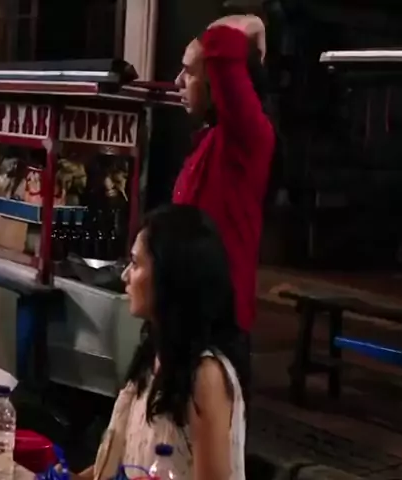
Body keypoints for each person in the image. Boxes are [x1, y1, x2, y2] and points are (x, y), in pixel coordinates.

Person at [83, 205, 249, 480]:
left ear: (170, 276)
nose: (125, 276)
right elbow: (115, 467)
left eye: (136, 264)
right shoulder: (152, 356)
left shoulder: (206, 376)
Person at [173, 14, 276, 341]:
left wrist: (252, 23)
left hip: (218, 322)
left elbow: (220, 45)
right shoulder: (209, 142)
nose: (178, 81)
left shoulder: (247, 138)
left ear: (216, 81)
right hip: (188, 314)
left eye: (189, 72)